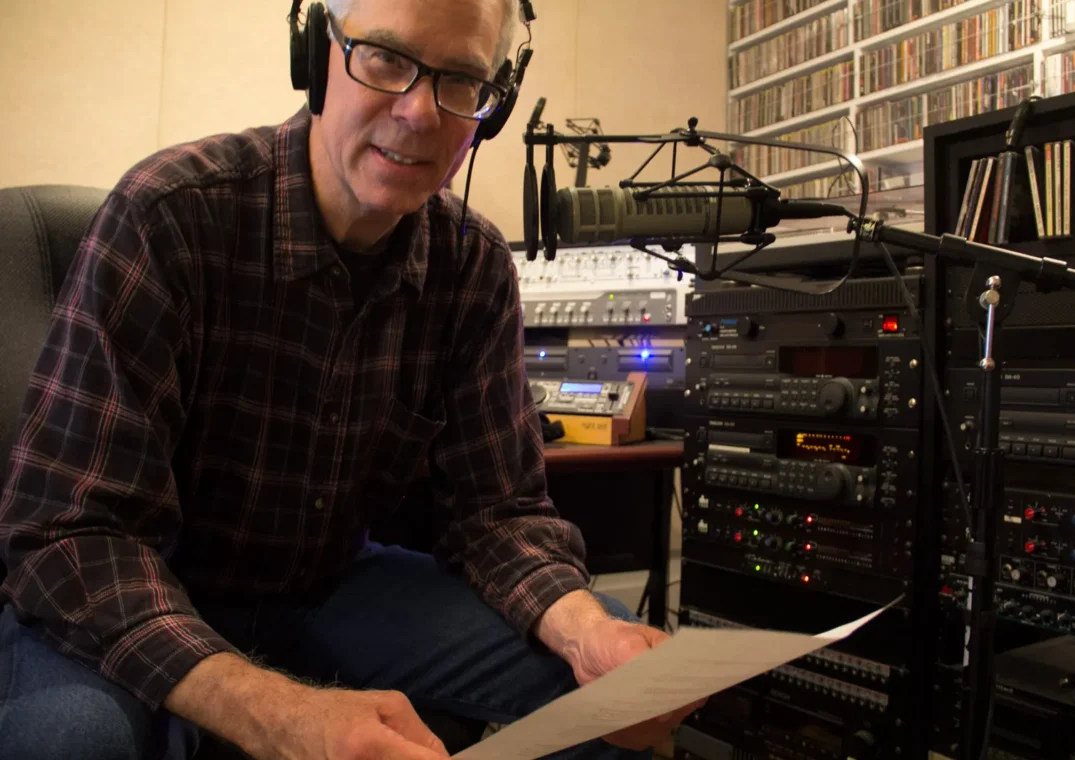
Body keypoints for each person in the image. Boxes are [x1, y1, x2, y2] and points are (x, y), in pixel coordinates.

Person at [0, 0, 701, 757]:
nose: (420, 112)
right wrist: (278, 714)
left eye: (461, 79)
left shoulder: (473, 269)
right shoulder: (168, 216)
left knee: (606, 689)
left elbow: (498, 515)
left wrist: (586, 630)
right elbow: (70, 537)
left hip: (327, 588)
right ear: (316, 54)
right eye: (386, 59)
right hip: (137, 586)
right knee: (73, 742)